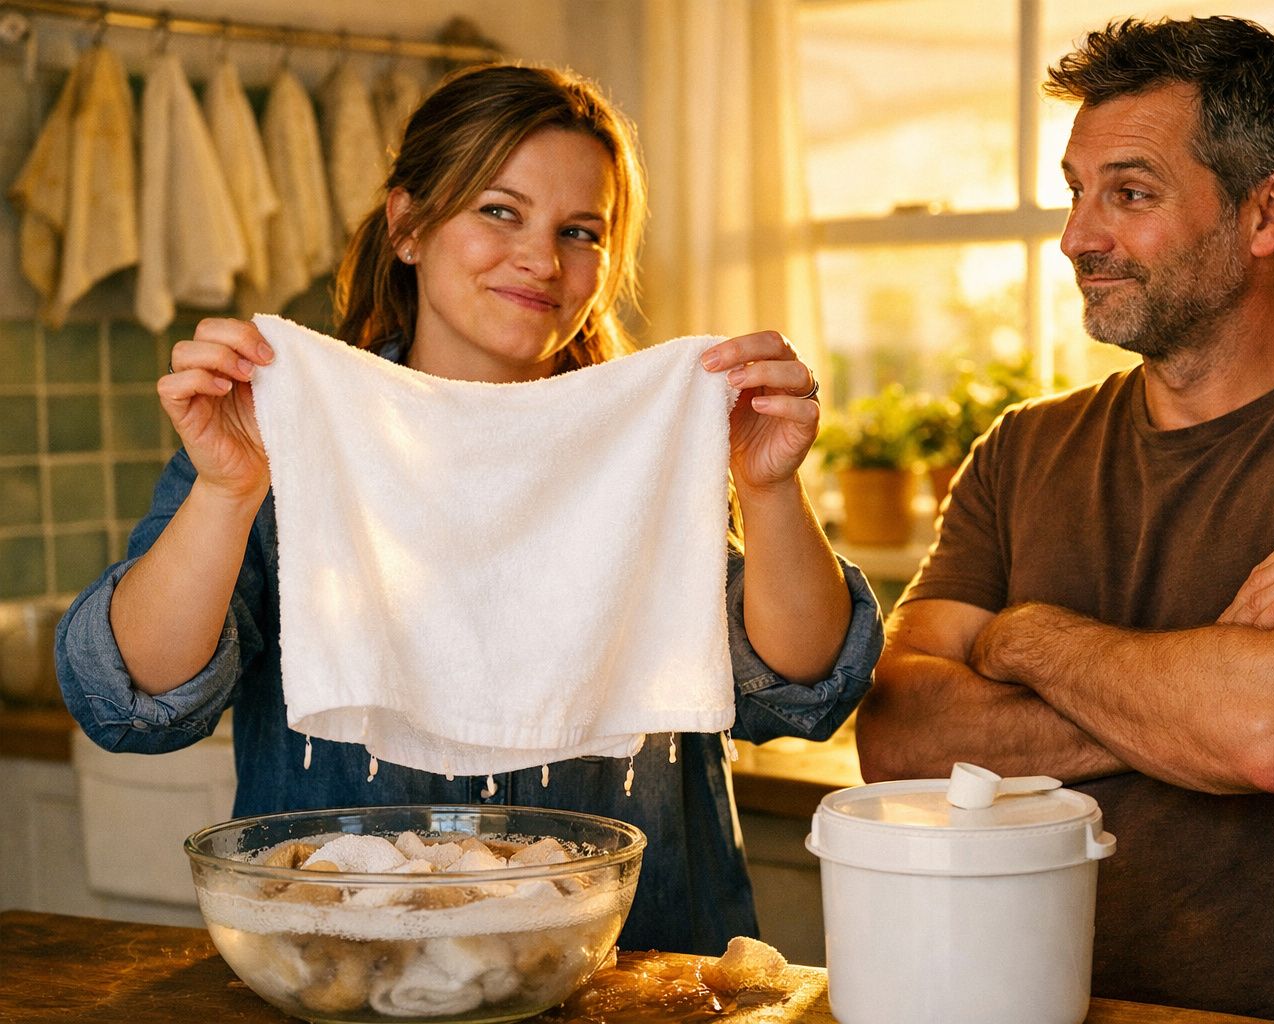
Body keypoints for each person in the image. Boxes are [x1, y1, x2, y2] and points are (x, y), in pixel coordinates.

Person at [55, 63, 882, 957]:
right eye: (500, 210)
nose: (542, 259)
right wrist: (226, 489)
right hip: (352, 981)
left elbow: (799, 686)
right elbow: (128, 698)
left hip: (638, 980)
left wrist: (767, 488)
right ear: (408, 226)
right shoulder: (289, 434)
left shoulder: (642, 445)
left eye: (581, 231)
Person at [856, 17, 1274, 1024]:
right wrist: (1197, 672)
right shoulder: (1022, 448)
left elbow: (1272, 736)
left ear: (1267, 212)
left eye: (1130, 192)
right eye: (1078, 191)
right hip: (1037, 1006)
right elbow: (896, 740)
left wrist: (1016, 636)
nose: (1077, 237)